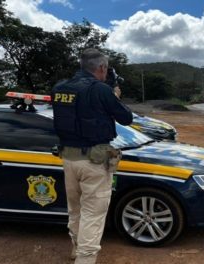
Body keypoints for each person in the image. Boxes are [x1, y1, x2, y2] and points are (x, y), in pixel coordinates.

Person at [51, 48, 133, 264]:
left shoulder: (59, 88)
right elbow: (126, 118)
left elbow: (78, 112)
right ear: (102, 68)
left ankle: (76, 249)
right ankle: (84, 260)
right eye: (106, 69)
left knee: (75, 210)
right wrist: (114, 95)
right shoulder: (101, 90)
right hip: (94, 162)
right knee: (93, 215)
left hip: (68, 159)